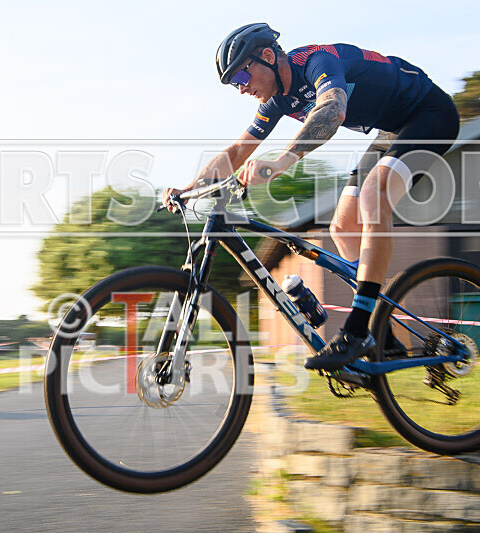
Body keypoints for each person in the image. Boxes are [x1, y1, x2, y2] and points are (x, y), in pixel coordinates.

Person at [161, 23, 460, 371]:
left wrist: (282, 161)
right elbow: (240, 148)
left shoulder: (317, 61)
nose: (241, 89)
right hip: (393, 130)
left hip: (430, 114)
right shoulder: (276, 100)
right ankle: (386, 337)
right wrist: (189, 187)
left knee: (374, 194)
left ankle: (358, 328)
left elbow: (332, 110)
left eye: (242, 76)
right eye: (234, 84)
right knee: (343, 226)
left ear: (268, 56)